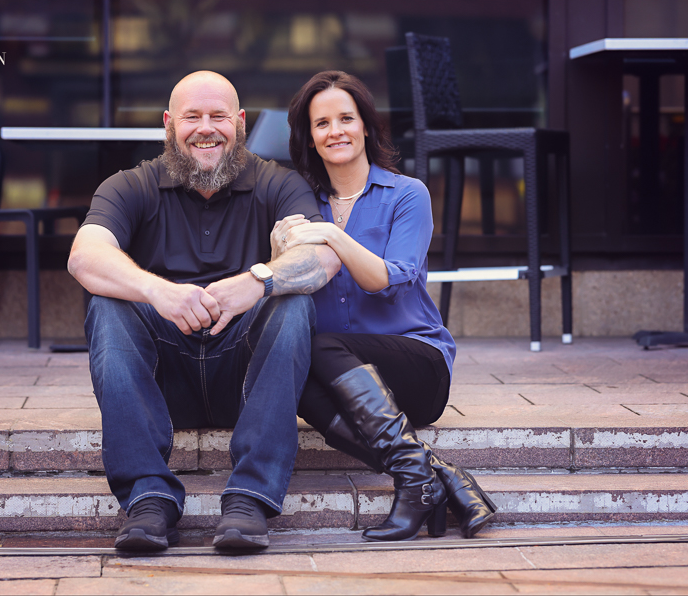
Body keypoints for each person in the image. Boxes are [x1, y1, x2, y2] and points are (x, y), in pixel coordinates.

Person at [68, 71, 340, 551]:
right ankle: (147, 498)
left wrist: (257, 282)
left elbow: (323, 256)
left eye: (218, 116)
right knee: (107, 302)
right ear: (169, 125)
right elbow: (84, 256)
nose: (205, 128)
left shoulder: (279, 183)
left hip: (244, 379)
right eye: (192, 116)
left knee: (292, 303)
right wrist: (159, 293)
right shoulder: (129, 184)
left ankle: (250, 498)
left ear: (239, 123)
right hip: (160, 383)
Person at [273, 70, 496, 542]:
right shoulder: (303, 204)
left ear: (367, 127)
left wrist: (333, 233)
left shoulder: (407, 194)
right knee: (294, 366)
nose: (336, 131)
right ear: (310, 138)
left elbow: (386, 281)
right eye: (322, 124)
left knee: (317, 346)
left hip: (417, 366)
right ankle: (429, 475)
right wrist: (278, 254)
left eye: (346, 118)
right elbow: (288, 287)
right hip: (340, 372)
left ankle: (423, 479)